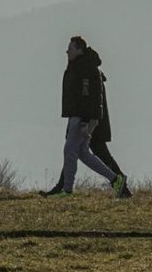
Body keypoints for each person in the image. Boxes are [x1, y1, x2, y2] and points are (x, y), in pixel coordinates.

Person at [42, 42, 132, 197]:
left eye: (70, 49)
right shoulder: (79, 67)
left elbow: (86, 98)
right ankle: (117, 182)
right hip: (86, 118)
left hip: (87, 119)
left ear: (79, 50)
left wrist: (84, 121)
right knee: (82, 152)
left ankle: (65, 189)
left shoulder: (85, 69)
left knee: (75, 150)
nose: (67, 52)